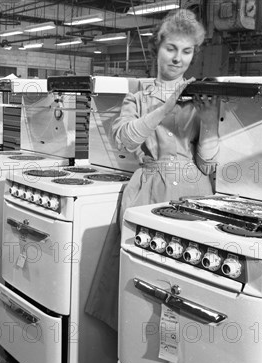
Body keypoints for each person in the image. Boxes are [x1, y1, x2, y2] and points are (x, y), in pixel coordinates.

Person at [85, 9, 221, 331]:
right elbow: (124, 139)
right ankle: (135, 343)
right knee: (144, 276)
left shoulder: (199, 98)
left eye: (187, 52)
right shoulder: (138, 97)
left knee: (190, 277)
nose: (178, 59)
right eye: (171, 48)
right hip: (149, 190)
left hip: (195, 192)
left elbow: (207, 165)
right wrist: (165, 107)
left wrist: (211, 120)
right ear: (158, 47)